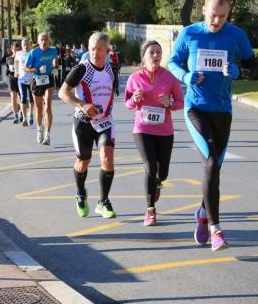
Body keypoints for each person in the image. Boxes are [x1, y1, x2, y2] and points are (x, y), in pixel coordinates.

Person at [168, 0, 257, 251]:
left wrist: (239, 71)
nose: (216, 21)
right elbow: (172, 62)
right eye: (212, 15)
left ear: (228, 14)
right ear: (203, 9)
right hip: (196, 108)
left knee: (215, 167)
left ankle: (203, 212)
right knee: (209, 161)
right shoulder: (190, 33)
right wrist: (186, 76)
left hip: (222, 110)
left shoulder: (236, 35)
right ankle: (216, 230)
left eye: (222, 16)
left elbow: (255, 67)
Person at [59, 32, 119, 219]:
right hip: (83, 123)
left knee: (107, 159)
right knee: (83, 162)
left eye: (99, 49)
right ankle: (80, 193)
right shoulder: (81, 69)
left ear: (107, 50)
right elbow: (63, 92)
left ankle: (103, 201)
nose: (95, 53)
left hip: (104, 121)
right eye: (92, 49)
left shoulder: (111, 70)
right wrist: (82, 105)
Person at [124, 40, 184, 226]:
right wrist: (134, 99)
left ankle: (158, 181)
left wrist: (169, 103)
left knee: (162, 172)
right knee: (150, 166)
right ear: (144, 56)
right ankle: (150, 210)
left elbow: (180, 102)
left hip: (165, 131)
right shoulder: (134, 78)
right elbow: (127, 104)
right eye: (152, 52)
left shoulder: (169, 77)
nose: (156, 55)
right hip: (142, 129)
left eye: (159, 52)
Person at [24, 32, 58, 145]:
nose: (44, 42)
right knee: (38, 108)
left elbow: (55, 59)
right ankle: (39, 130)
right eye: (41, 40)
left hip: (48, 79)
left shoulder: (53, 50)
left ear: (49, 41)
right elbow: (26, 68)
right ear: (38, 42)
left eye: (46, 39)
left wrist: (55, 67)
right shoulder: (34, 52)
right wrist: (36, 70)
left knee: (47, 106)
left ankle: (47, 135)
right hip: (37, 80)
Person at [15, 38, 34, 126]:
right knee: (23, 97)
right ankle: (25, 118)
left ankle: (31, 114)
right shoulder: (18, 53)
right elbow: (16, 61)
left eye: (27, 44)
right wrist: (16, 71)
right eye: (24, 45)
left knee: (31, 98)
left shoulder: (33, 53)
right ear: (22, 46)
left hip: (31, 79)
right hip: (22, 79)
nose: (26, 46)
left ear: (30, 44)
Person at [5, 42, 22, 124]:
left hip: (21, 80)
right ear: (12, 50)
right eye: (15, 50)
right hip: (11, 80)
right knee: (13, 96)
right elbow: (7, 71)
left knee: (21, 97)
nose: (16, 52)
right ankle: (15, 116)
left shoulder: (22, 59)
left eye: (18, 50)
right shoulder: (8, 59)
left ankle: (22, 113)